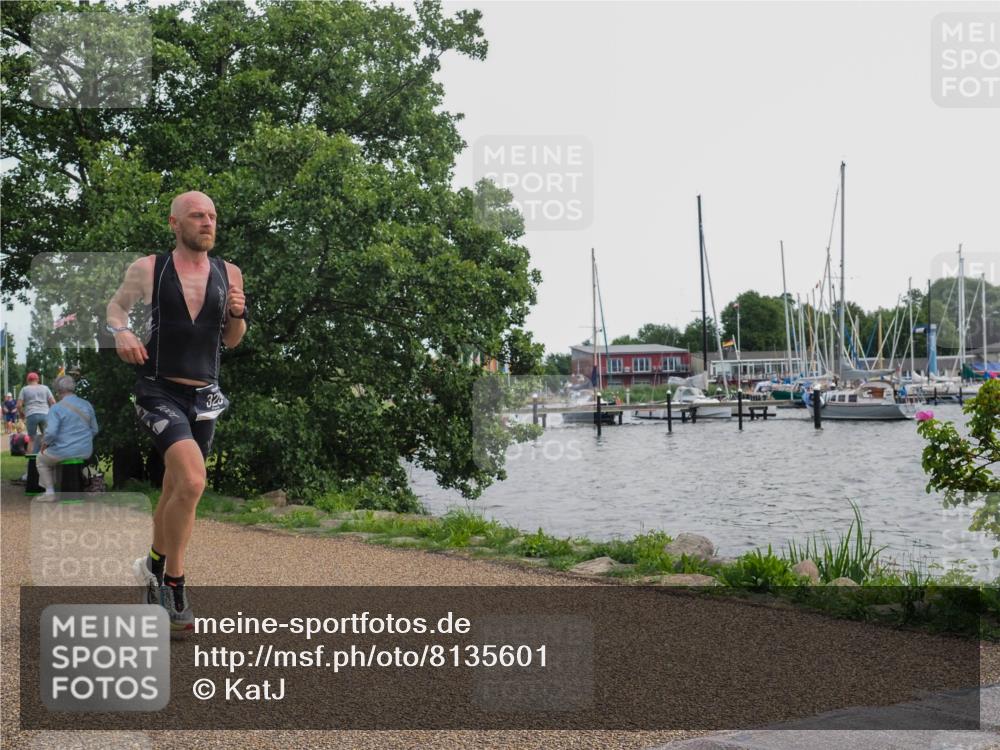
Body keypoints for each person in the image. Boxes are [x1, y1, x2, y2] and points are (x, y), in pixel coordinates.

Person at [107, 190, 247, 637]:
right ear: (175, 223)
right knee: (191, 480)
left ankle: (150, 566)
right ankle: (174, 581)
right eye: (196, 216)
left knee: (174, 489)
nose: (206, 222)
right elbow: (115, 308)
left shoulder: (230, 273)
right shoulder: (149, 268)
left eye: (212, 215)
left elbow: (231, 340)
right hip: (157, 389)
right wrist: (122, 332)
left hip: (205, 397)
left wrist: (239, 316)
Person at [35, 375, 99, 497]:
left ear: (58, 390)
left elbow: (51, 433)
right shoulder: (87, 405)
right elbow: (95, 429)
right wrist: (83, 440)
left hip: (64, 451)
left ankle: (49, 492)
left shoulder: (56, 408)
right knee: (57, 458)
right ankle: (62, 488)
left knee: (41, 459)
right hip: (85, 451)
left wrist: (45, 443)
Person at [16, 373, 55, 454]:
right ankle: (45, 458)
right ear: (38, 380)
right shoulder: (45, 388)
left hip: (31, 414)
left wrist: (21, 413)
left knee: (31, 439)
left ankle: (31, 462)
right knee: (46, 438)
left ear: (28, 380)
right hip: (45, 413)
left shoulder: (24, 389)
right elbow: (53, 402)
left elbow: (19, 405)